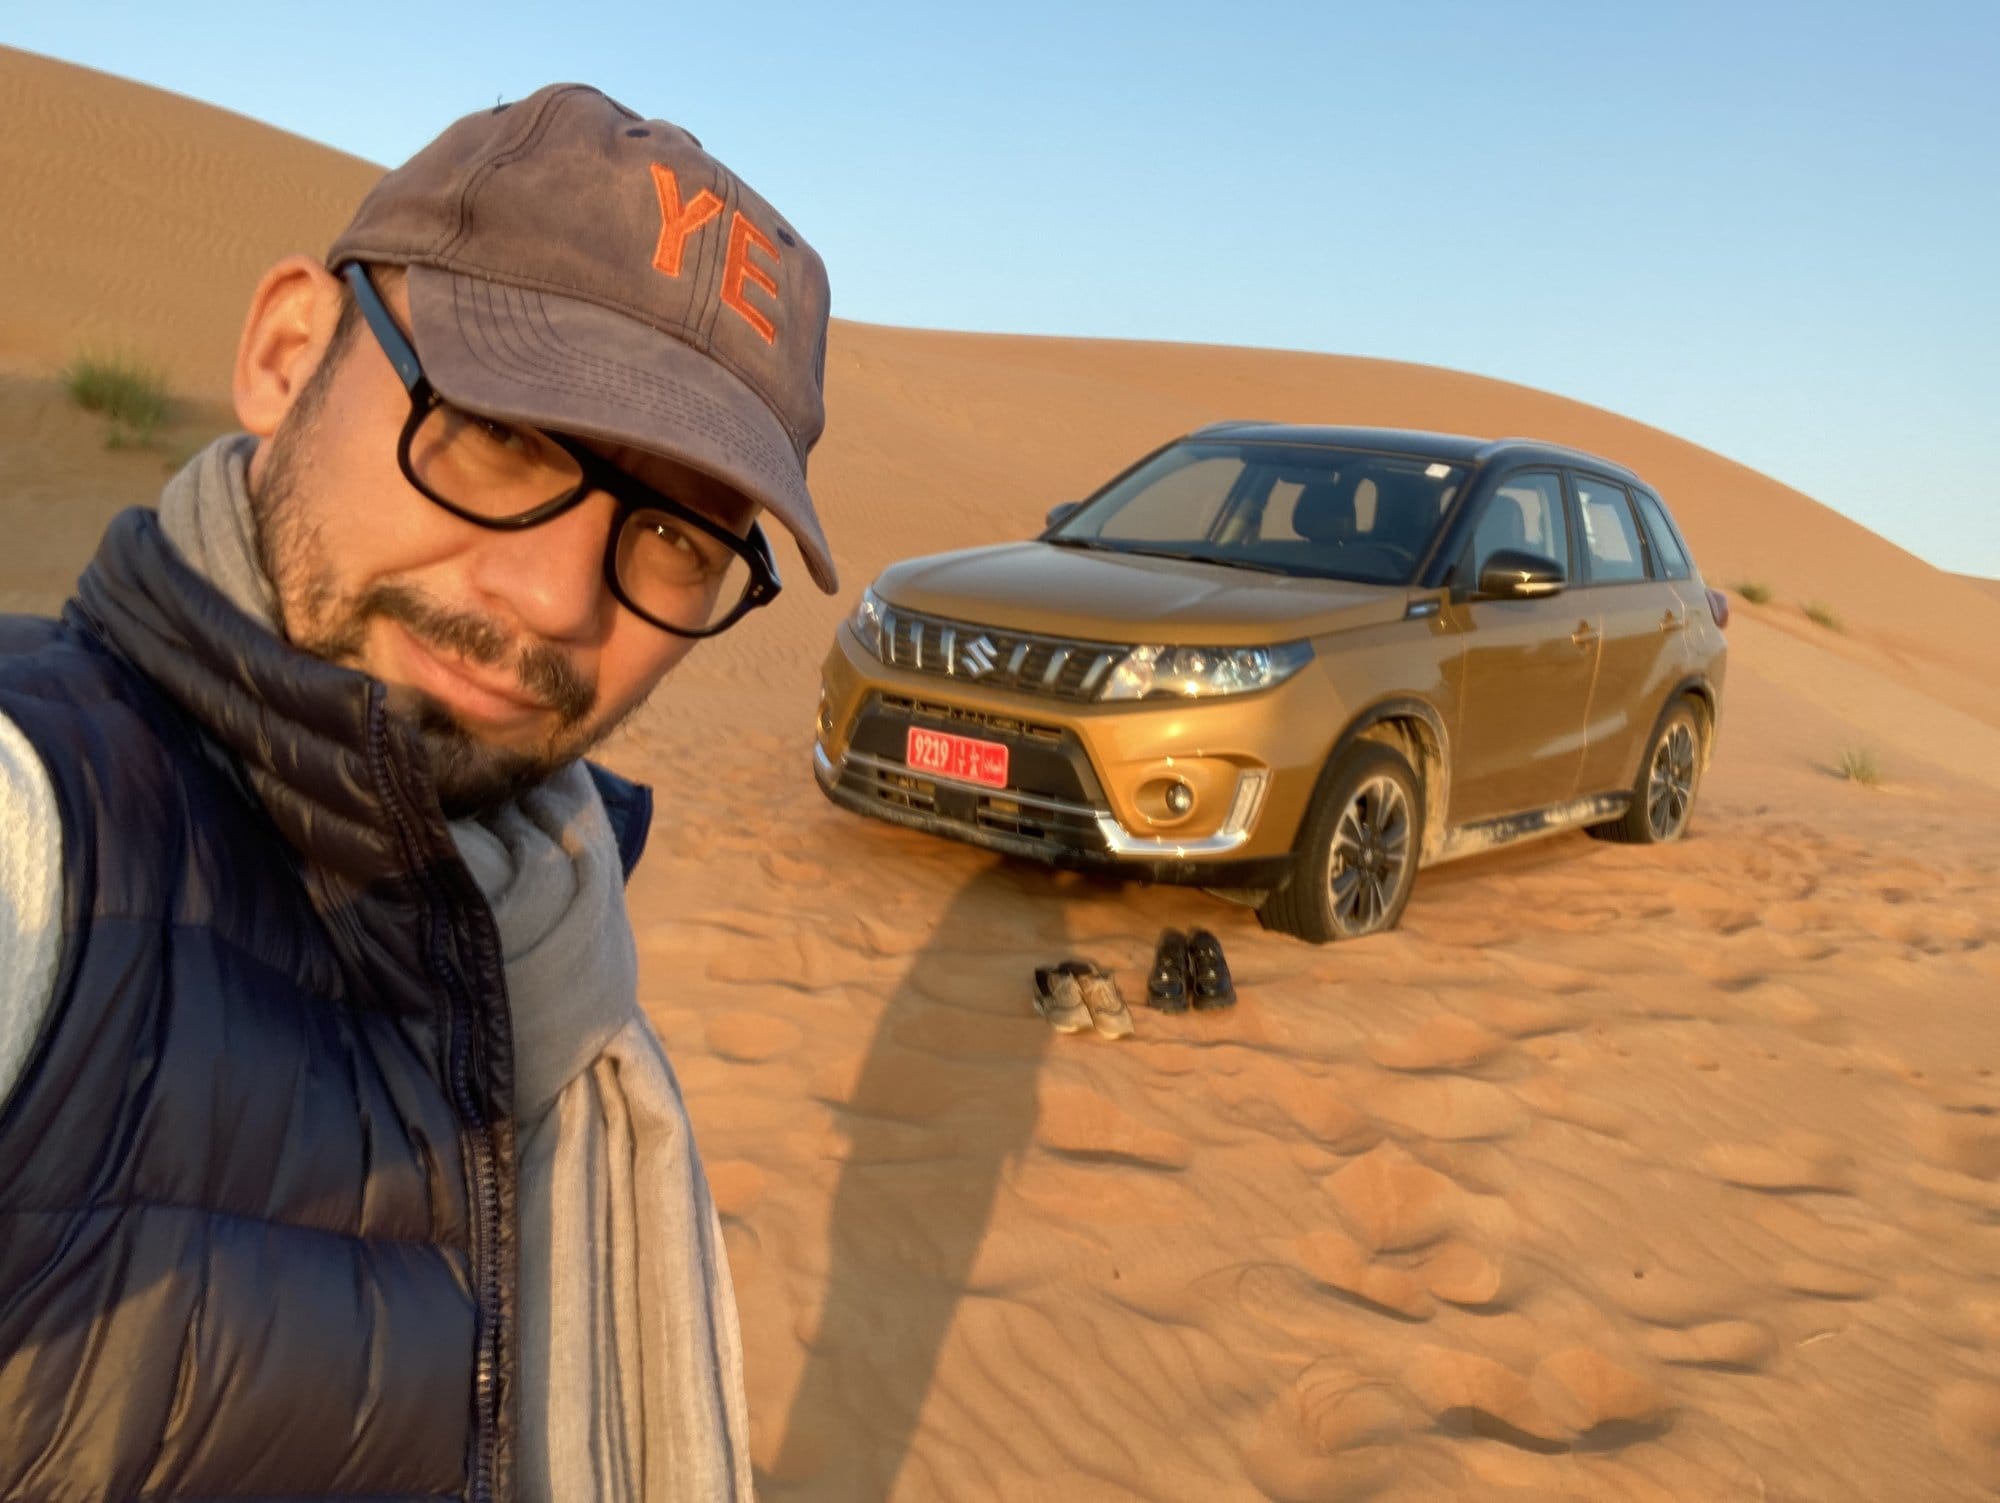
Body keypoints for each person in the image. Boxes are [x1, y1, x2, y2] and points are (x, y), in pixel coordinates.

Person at [0, 83, 835, 1502]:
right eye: (500, 432)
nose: (561, 598)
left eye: (682, 538)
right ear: (286, 352)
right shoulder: (38, 826)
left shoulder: (554, 943)